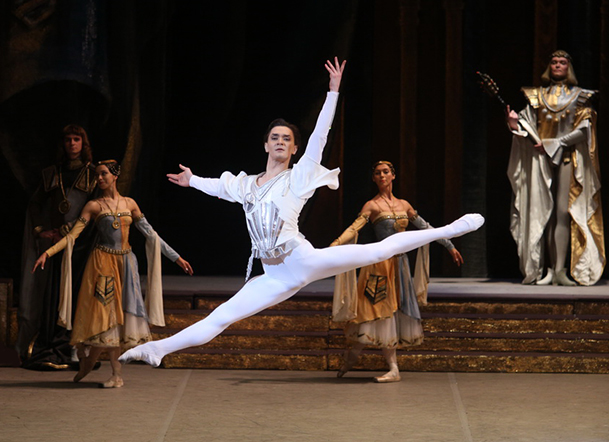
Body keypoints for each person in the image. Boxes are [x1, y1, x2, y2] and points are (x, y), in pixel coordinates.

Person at [118, 58, 484, 369]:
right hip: (273, 274)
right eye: (274, 137)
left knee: (378, 250)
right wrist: (193, 179)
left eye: (286, 139)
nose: (280, 142)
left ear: (293, 149)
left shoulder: (299, 177)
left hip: (301, 259)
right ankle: (156, 350)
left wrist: (333, 92)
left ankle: (448, 229)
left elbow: (320, 136)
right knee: (222, 316)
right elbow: (218, 187)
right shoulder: (246, 184)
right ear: (265, 144)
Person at [33, 160, 193, 388]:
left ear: (115, 176)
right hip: (102, 266)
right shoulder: (94, 206)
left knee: (119, 321)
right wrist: (48, 253)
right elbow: (72, 237)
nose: (99, 178)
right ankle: (105, 369)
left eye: (103, 174)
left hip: (126, 264)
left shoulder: (130, 204)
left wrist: (176, 258)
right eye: (97, 175)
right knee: (106, 319)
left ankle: (99, 367)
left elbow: (151, 235)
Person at [330, 160, 464, 382]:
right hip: (379, 266)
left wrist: (449, 245)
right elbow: (354, 228)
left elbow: (425, 228)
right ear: (373, 178)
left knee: (391, 313)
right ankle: (351, 359)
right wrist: (334, 245)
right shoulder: (371, 206)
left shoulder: (404, 205)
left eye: (385, 172)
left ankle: (392, 369)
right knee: (374, 312)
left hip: (400, 266)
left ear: (393, 175)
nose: (382, 176)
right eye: (377, 173)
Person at [506, 50, 604, 286]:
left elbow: (584, 129)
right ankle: (548, 269)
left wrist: (556, 143)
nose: (557, 65)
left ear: (569, 67)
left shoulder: (580, 96)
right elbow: (526, 125)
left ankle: (560, 269)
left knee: (561, 212)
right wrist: (514, 124)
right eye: (553, 62)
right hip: (541, 161)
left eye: (562, 62)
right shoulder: (536, 96)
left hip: (568, 159)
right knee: (543, 213)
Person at [17, 124, 98, 370]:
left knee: (77, 293)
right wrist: (42, 230)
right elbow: (35, 205)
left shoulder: (94, 174)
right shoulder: (53, 174)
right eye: (68, 140)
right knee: (53, 294)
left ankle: (74, 346)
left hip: (81, 245)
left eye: (76, 139)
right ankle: (53, 342)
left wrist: (68, 231)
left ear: (84, 144)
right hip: (54, 245)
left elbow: (97, 210)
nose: (72, 144)